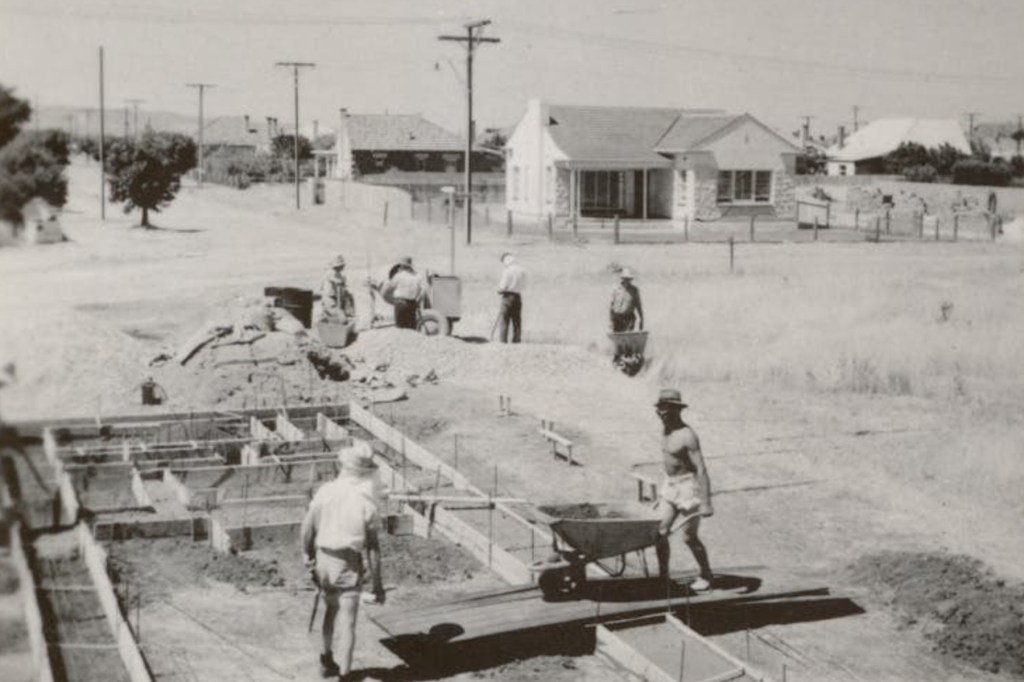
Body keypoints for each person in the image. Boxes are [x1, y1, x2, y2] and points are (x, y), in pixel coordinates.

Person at [301, 440, 385, 679]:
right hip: (347, 562)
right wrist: (377, 585)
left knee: (330, 610)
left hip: (323, 559)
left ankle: (326, 660)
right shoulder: (366, 502)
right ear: (366, 473)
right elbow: (373, 549)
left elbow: (307, 527)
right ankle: (345, 676)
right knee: (348, 621)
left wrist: (307, 555)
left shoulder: (326, 490)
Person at [653, 389, 714, 592]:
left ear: (677, 409)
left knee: (689, 537)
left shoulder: (687, 436)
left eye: (666, 408)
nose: (661, 413)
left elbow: (701, 468)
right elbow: (670, 464)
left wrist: (706, 502)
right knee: (659, 533)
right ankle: (663, 576)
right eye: (660, 408)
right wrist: (663, 489)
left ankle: (706, 574)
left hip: (689, 488)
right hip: (671, 486)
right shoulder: (665, 431)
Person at [379, 258, 425, 330]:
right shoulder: (418, 277)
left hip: (400, 304)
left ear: (402, 266)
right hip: (412, 305)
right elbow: (421, 292)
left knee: (401, 330)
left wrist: (391, 301)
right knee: (411, 330)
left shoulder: (398, 276)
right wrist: (417, 303)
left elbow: (387, 290)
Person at [496, 252, 525, 343]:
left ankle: (503, 341)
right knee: (517, 320)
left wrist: (500, 290)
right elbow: (524, 285)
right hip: (518, 296)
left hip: (507, 297)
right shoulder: (522, 270)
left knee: (504, 319)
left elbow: (502, 287)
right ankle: (517, 340)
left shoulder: (507, 271)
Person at [320, 255, 356, 321]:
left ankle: (347, 314)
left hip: (335, 300)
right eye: (342, 265)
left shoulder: (339, 275)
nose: (343, 267)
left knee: (349, 296)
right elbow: (337, 281)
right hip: (329, 301)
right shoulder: (330, 273)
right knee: (342, 318)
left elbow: (343, 285)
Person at [609, 268, 643, 332]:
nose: (627, 280)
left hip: (628, 317)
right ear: (622, 279)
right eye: (625, 278)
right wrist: (610, 321)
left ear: (630, 279)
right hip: (617, 318)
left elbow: (638, 306)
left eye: (628, 279)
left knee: (627, 335)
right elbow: (611, 306)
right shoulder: (616, 289)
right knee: (617, 337)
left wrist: (641, 319)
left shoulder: (634, 290)